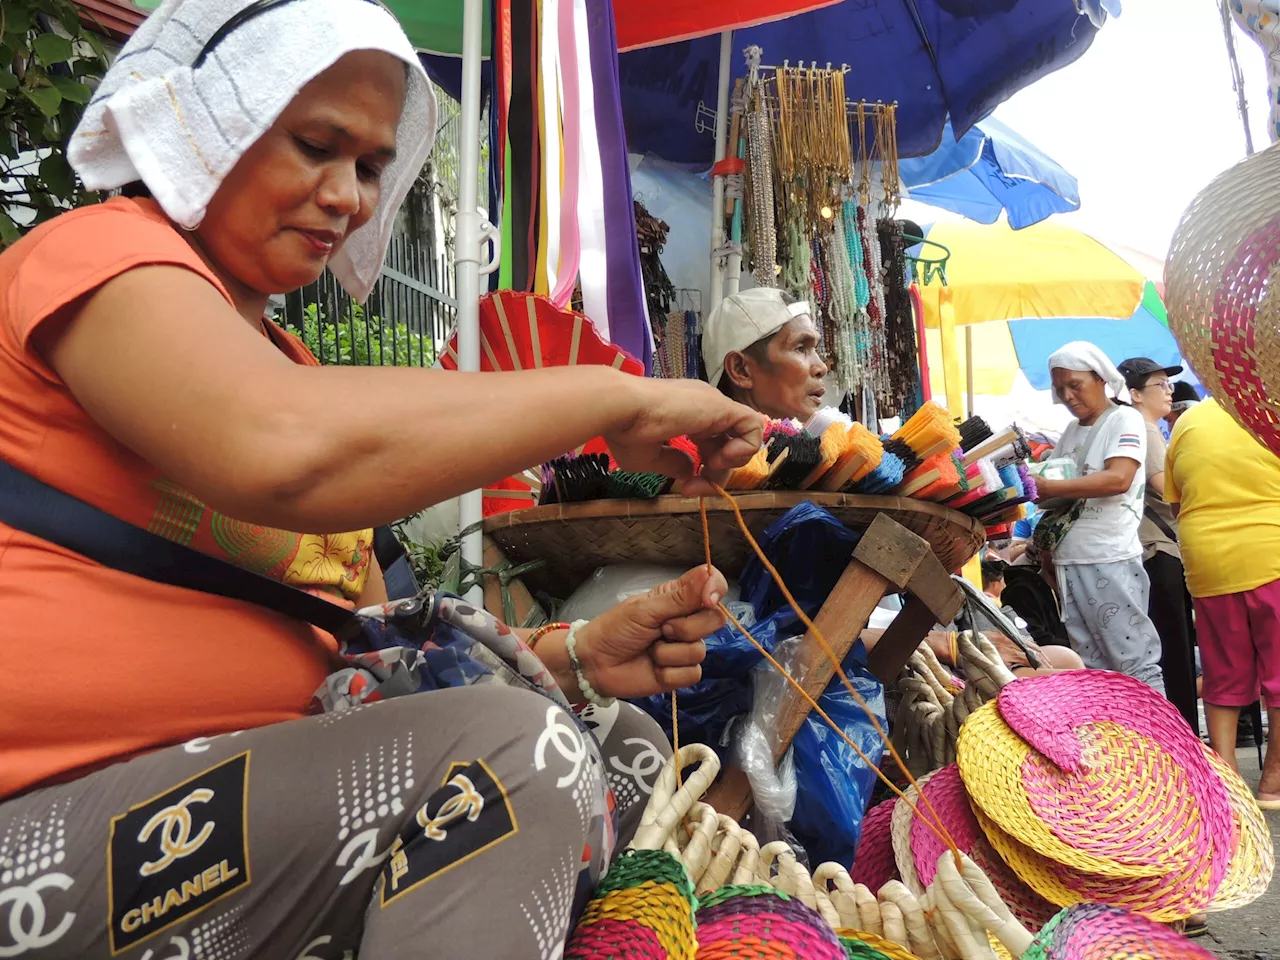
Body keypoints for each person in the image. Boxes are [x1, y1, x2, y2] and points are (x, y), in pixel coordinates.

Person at [0, 3, 765, 958]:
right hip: (42, 841)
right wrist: (612, 398)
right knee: (505, 764)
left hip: (243, 819)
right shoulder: (100, 255)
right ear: (207, 121)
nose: (349, 197)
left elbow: (366, 653)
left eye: (368, 165)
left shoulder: (291, 372)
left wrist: (571, 659)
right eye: (317, 145)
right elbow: (281, 449)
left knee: (628, 749)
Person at [1166, 397, 1280, 807]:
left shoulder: (1189, 420)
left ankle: (1225, 782)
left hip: (1207, 558)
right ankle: (1274, 782)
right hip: (1272, 549)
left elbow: (1177, 504)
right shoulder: (1270, 411)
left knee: (1223, 669)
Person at [1033, 343, 1165, 693]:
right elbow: (1054, 490)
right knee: (1093, 670)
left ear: (1101, 378)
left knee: (1134, 661)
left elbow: (1118, 479)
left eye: (1075, 385)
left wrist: (1049, 487)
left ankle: (1160, 741)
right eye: (1060, 388)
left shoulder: (1124, 419)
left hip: (1109, 557)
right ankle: (1118, 744)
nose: (1067, 396)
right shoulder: (1071, 432)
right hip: (1072, 560)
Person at [1118, 358, 1200, 734]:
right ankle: (1184, 734)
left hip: (1155, 549)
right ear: (1134, 394)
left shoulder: (1145, 428)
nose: (1168, 391)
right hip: (1158, 550)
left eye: (1169, 385)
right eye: (1159, 385)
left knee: (1170, 647)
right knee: (1173, 651)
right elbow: (1161, 487)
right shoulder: (1146, 430)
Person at [702, 287, 829, 422]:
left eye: (815, 349)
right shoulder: (684, 443)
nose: (822, 368)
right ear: (741, 369)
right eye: (800, 349)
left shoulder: (828, 440)